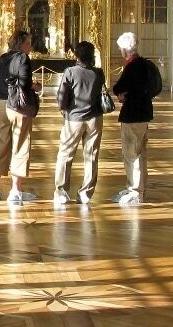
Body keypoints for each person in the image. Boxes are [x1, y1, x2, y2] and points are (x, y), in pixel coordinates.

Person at [0, 30, 39, 203]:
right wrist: (35, 87)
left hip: (2, 105)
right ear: (21, 44)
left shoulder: (2, 58)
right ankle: (16, 190)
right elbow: (24, 83)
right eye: (28, 43)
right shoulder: (23, 58)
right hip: (18, 106)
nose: (30, 47)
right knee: (21, 145)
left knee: (1, 145)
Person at [110, 31, 159, 205]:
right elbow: (155, 87)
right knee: (140, 153)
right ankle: (139, 188)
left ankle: (135, 191)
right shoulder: (146, 64)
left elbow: (119, 87)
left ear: (125, 49)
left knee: (132, 154)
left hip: (133, 114)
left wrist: (126, 95)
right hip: (144, 112)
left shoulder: (133, 66)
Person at [53, 40, 105, 206]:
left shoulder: (70, 72)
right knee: (91, 156)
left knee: (65, 154)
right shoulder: (99, 72)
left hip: (74, 118)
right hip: (95, 118)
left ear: (77, 55)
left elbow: (62, 94)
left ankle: (61, 192)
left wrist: (62, 108)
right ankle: (85, 193)